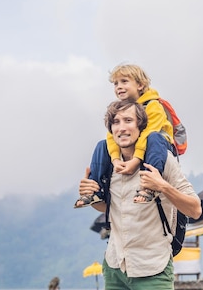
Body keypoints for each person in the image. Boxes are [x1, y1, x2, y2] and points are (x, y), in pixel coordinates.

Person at [78, 99, 202, 290]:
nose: (122, 127)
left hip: (152, 267)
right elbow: (110, 208)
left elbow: (195, 209)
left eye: (128, 120)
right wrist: (91, 193)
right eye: (116, 122)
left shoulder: (162, 161)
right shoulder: (108, 163)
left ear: (140, 127)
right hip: (115, 266)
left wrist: (162, 186)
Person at [74, 63, 175, 208]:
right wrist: (115, 160)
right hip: (136, 147)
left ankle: (149, 185)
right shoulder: (122, 109)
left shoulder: (153, 105)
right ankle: (94, 190)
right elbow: (111, 136)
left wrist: (135, 160)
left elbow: (148, 134)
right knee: (103, 144)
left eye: (124, 81)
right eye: (115, 84)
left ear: (140, 85)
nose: (119, 87)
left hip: (157, 146)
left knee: (153, 137)